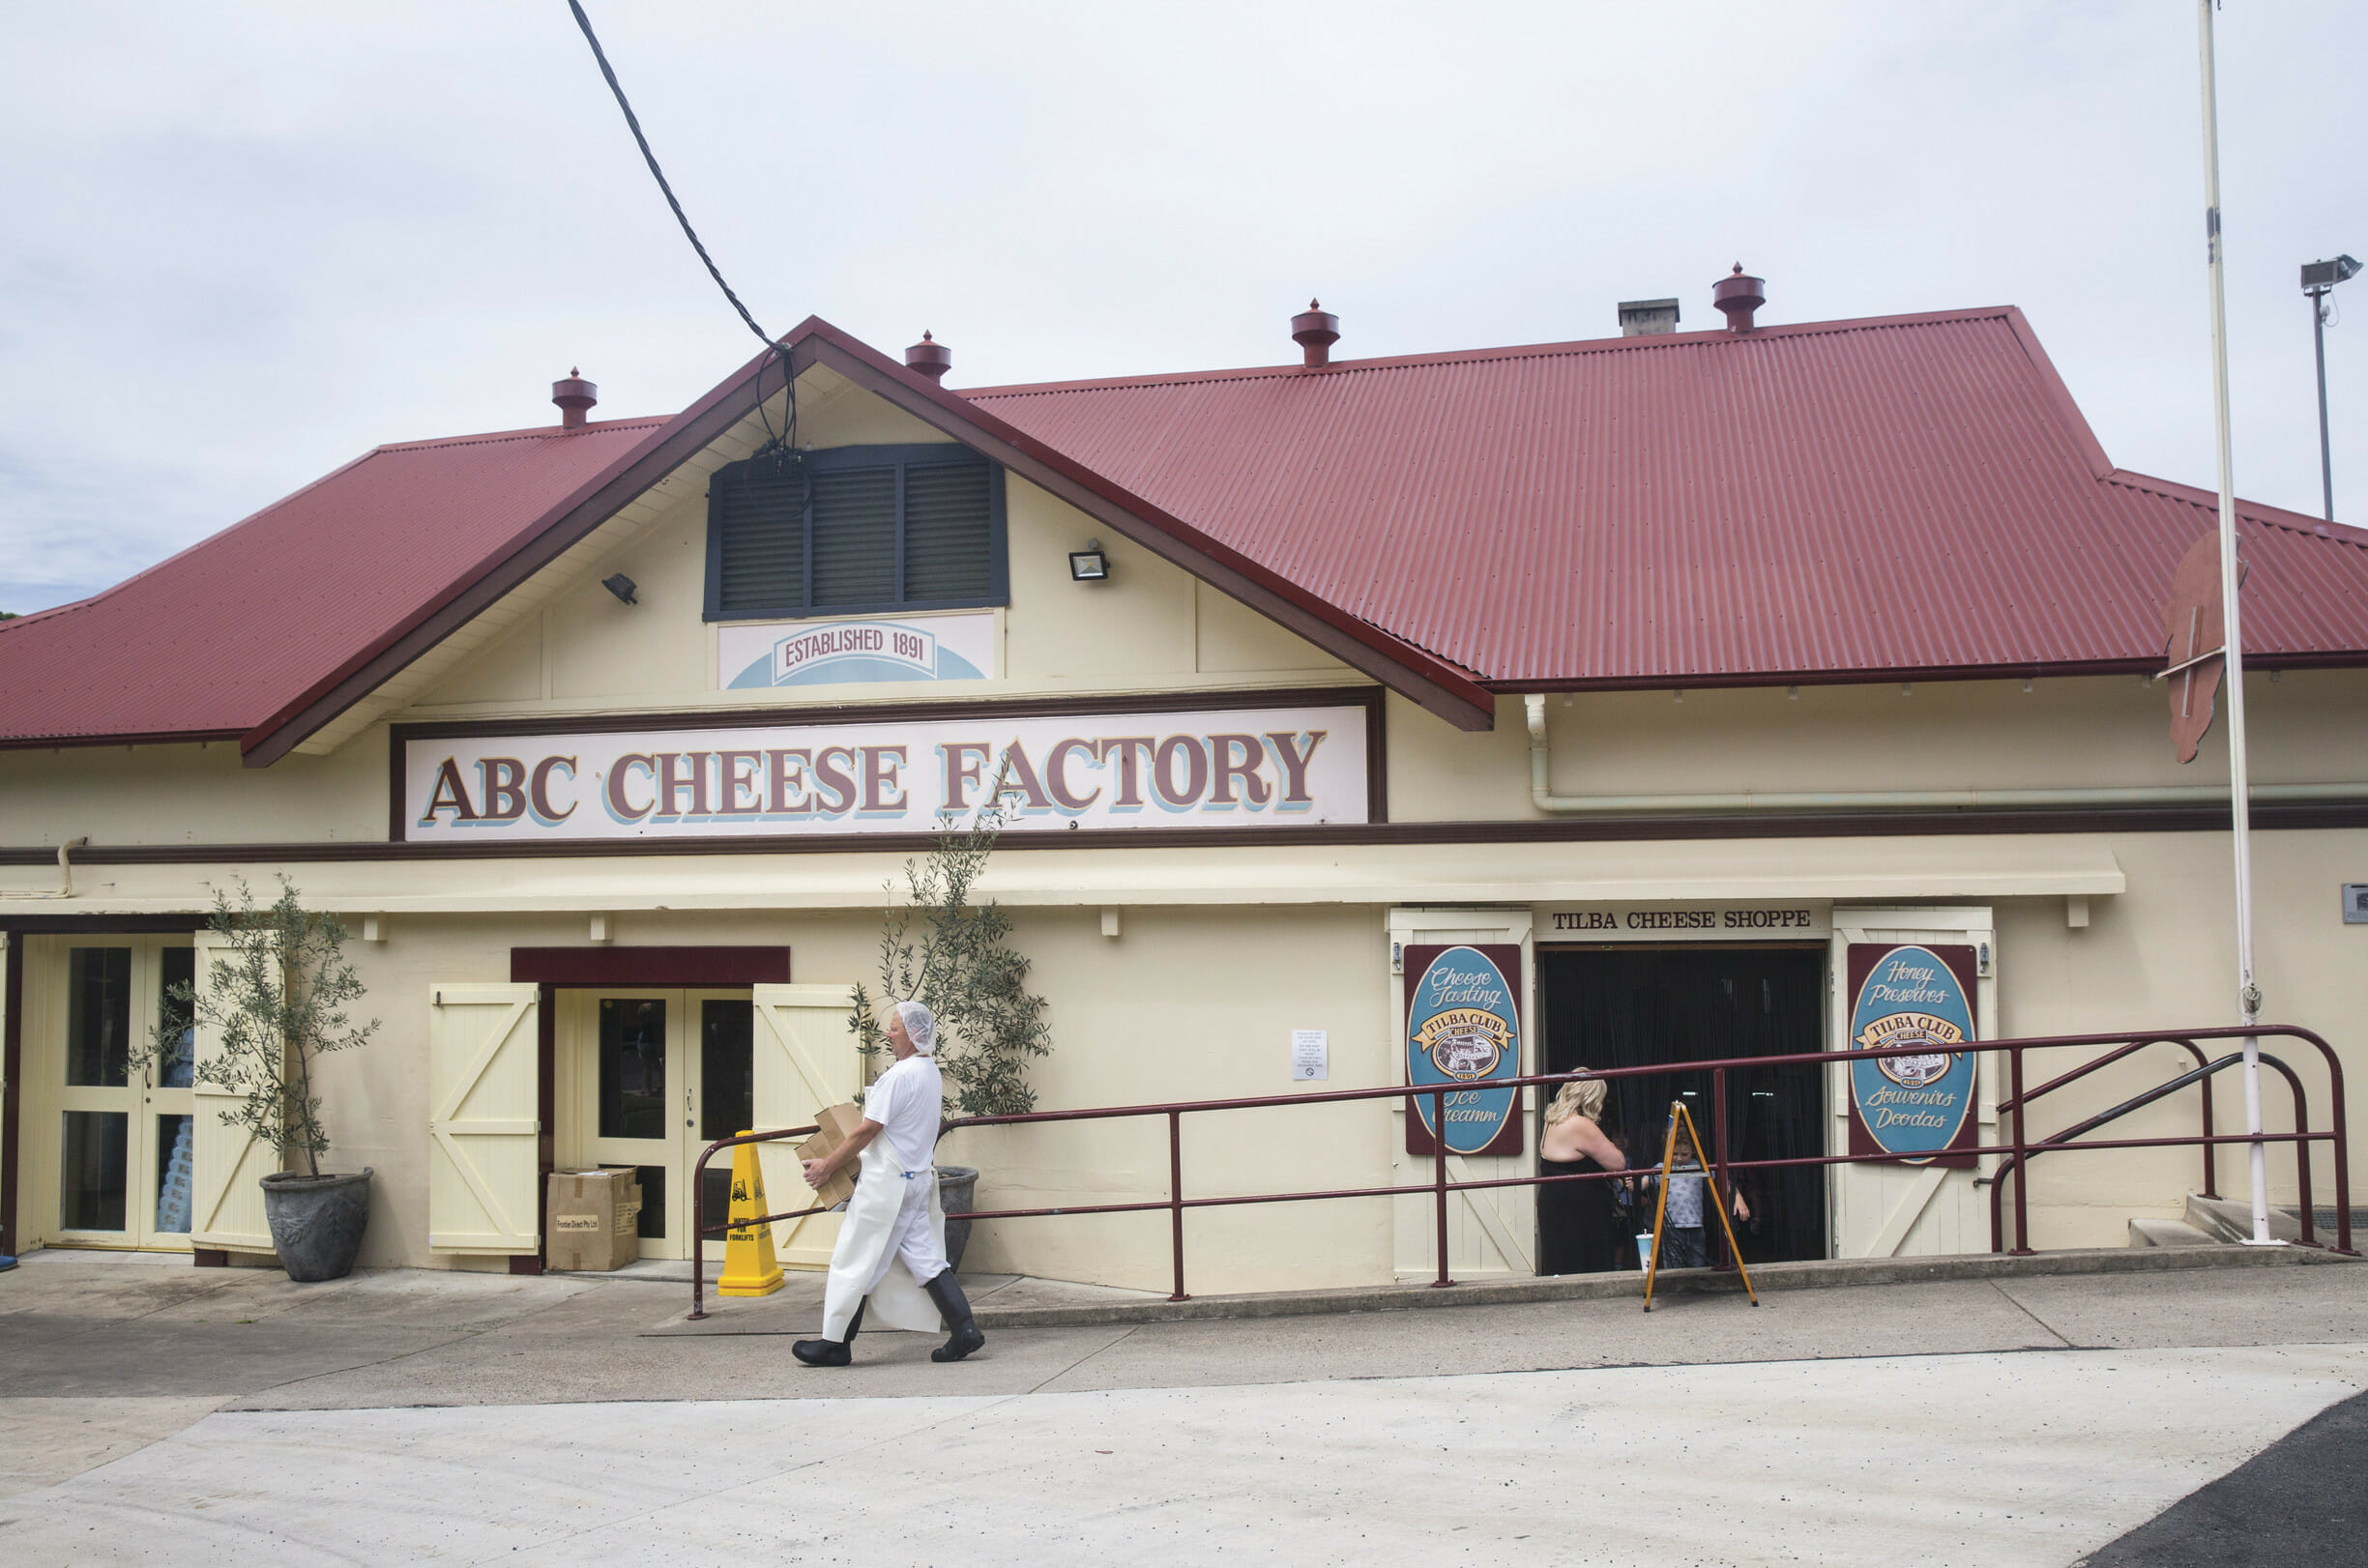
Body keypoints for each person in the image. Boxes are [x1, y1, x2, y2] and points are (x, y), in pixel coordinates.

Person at [791, 1000, 985, 1368]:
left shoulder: (899, 1076)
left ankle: (836, 1343)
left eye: (894, 1028)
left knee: (855, 1260)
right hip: (916, 1181)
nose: (887, 1033)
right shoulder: (930, 1072)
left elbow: (866, 1131)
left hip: (886, 1186)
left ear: (912, 1036)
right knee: (926, 1259)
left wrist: (827, 1167)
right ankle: (964, 1330)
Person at [1537, 1074, 1627, 1274]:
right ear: (1592, 1098)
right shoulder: (1580, 1124)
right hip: (1578, 1206)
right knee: (1584, 1264)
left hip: (1552, 1199)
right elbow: (1617, 1162)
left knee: (1560, 1262)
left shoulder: (1551, 1119)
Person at [1645, 1137, 1750, 1269]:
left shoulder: (1699, 1166)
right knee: (1673, 1267)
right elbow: (1641, 1184)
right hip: (1671, 1228)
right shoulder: (1661, 1167)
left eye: (1684, 1154)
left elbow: (1722, 1180)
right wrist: (1626, 1179)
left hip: (1696, 1226)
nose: (1678, 1158)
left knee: (1697, 1266)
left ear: (1693, 1151)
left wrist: (1738, 1197)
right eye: (1674, 1153)